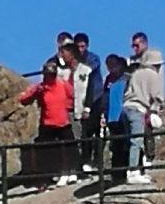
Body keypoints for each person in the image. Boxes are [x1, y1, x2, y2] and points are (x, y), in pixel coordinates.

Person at [19, 57, 77, 187]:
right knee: (46, 152)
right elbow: (24, 100)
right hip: (47, 123)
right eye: (47, 74)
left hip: (63, 122)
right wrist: (34, 93)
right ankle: (46, 178)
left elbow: (72, 95)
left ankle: (70, 172)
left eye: (52, 74)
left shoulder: (62, 84)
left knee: (69, 148)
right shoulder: (40, 88)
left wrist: (70, 107)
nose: (49, 77)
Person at [124, 31, 165, 186]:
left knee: (131, 139)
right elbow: (157, 94)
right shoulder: (152, 75)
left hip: (127, 106)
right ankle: (134, 170)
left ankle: (137, 167)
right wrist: (156, 108)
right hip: (140, 108)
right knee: (137, 140)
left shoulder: (136, 73)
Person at [72, 31, 104, 171]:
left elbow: (88, 71)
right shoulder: (73, 60)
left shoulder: (93, 59)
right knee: (85, 133)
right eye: (78, 46)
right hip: (81, 100)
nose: (80, 49)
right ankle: (86, 161)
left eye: (83, 46)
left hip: (96, 98)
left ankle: (98, 161)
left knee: (98, 132)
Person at [102, 52, 131, 179]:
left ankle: (126, 170)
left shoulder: (127, 79)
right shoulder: (109, 80)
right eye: (109, 66)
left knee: (126, 143)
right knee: (115, 145)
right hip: (111, 116)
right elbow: (105, 97)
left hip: (123, 114)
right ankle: (117, 173)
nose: (112, 68)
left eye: (114, 65)